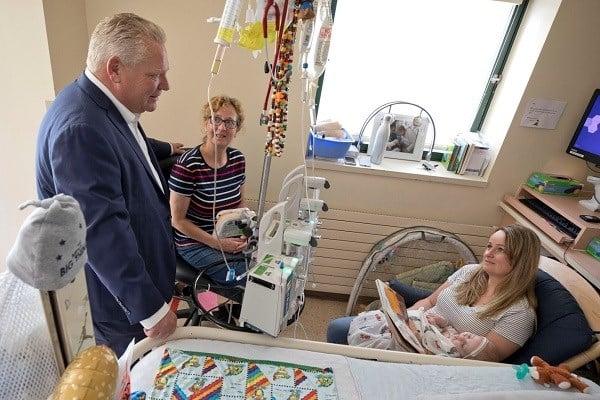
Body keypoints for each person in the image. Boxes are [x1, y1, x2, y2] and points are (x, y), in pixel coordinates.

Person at [36, 13, 180, 357]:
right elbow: (101, 231)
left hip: (137, 285)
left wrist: (168, 149)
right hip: (118, 306)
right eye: (155, 75)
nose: (165, 85)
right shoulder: (80, 130)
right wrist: (152, 310)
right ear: (115, 69)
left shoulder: (102, 105)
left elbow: (125, 143)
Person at [328, 224, 540, 362]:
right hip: (415, 328)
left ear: (520, 258)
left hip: (435, 356)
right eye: (489, 246)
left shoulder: (520, 314)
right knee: (338, 328)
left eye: (500, 249)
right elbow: (429, 301)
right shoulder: (468, 272)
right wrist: (403, 321)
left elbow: (488, 359)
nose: (488, 253)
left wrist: (437, 338)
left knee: (348, 339)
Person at [169, 95, 250, 286]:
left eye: (230, 122)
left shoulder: (238, 159)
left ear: (236, 129)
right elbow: (177, 221)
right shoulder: (189, 165)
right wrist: (217, 244)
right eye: (216, 119)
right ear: (206, 124)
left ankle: (219, 308)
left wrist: (244, 234)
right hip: (193, 242)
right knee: (247, 275)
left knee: (267, 262)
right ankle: (218, 309)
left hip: (226, 235)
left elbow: (241, 204)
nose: (222, 127)